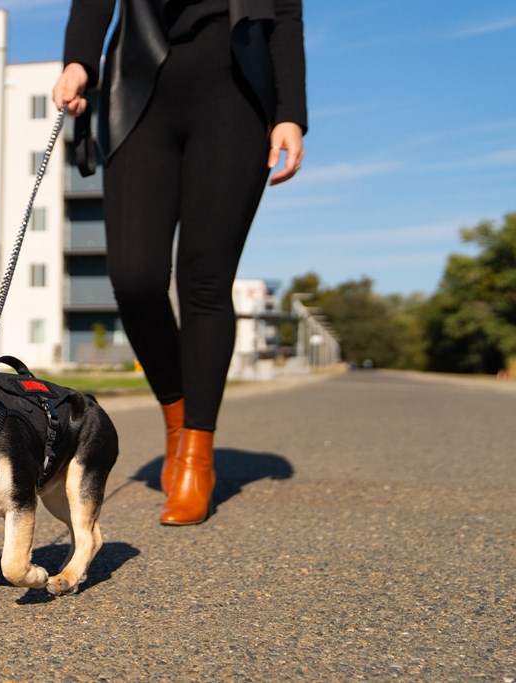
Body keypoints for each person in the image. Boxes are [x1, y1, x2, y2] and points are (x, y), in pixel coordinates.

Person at [52, 0, 307, 525]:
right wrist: (79, 61)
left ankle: (195, 452)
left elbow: (284, 15)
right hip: (138, 86)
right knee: (134, 277)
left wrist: (290, 113)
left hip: (236, 92)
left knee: (205, 278)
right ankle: (176, 419)